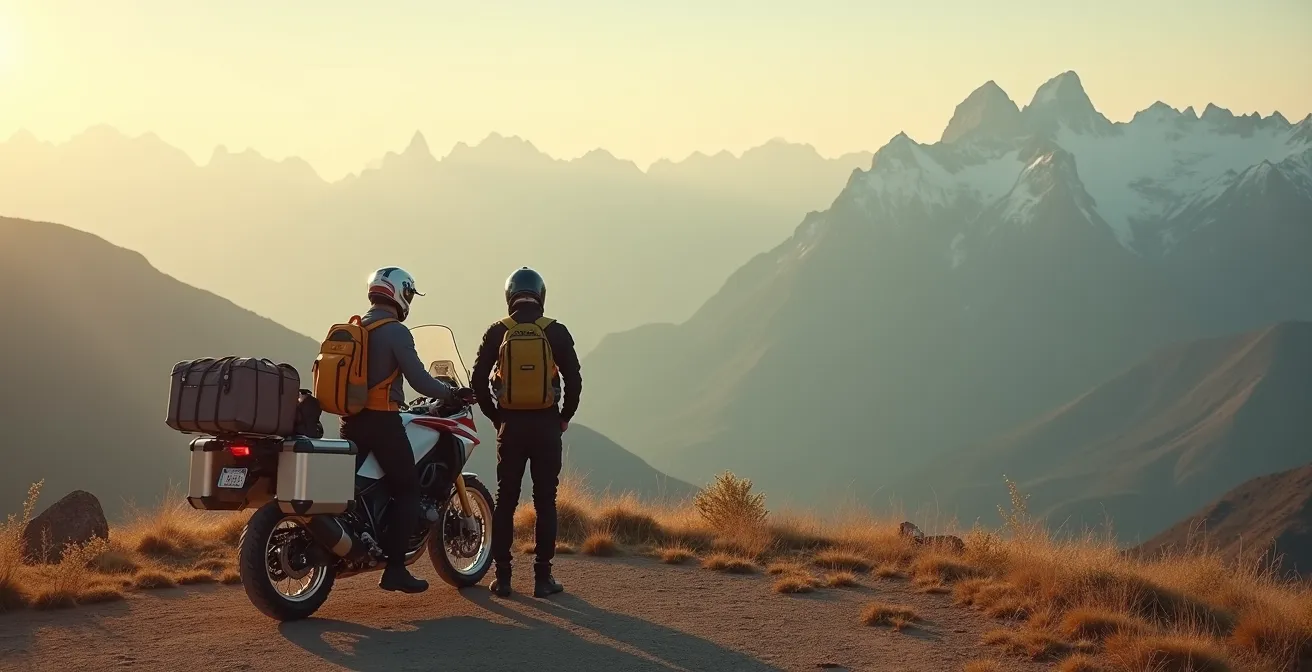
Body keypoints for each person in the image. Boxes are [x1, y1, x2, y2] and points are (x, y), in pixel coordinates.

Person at [340, 266, 460, 594]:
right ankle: (394, 569)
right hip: (383, 421)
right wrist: (450, 393)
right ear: (400, 293)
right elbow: (419, 379)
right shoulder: (395, 332)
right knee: (407, 490)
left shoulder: (356, 327)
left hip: (350, 421)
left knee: (349, 486)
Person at [472, 266, 582, 598]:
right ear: (541, 296)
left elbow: (478, 381)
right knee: (545, 501)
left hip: (511, 426)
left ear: (510, 296)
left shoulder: (498, 331)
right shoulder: (555, 331)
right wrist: (564, 417)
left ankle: (503, 578)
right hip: (547, 424)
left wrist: (496, 417)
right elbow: (574, 380)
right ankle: (542, 579)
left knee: (506, 500)